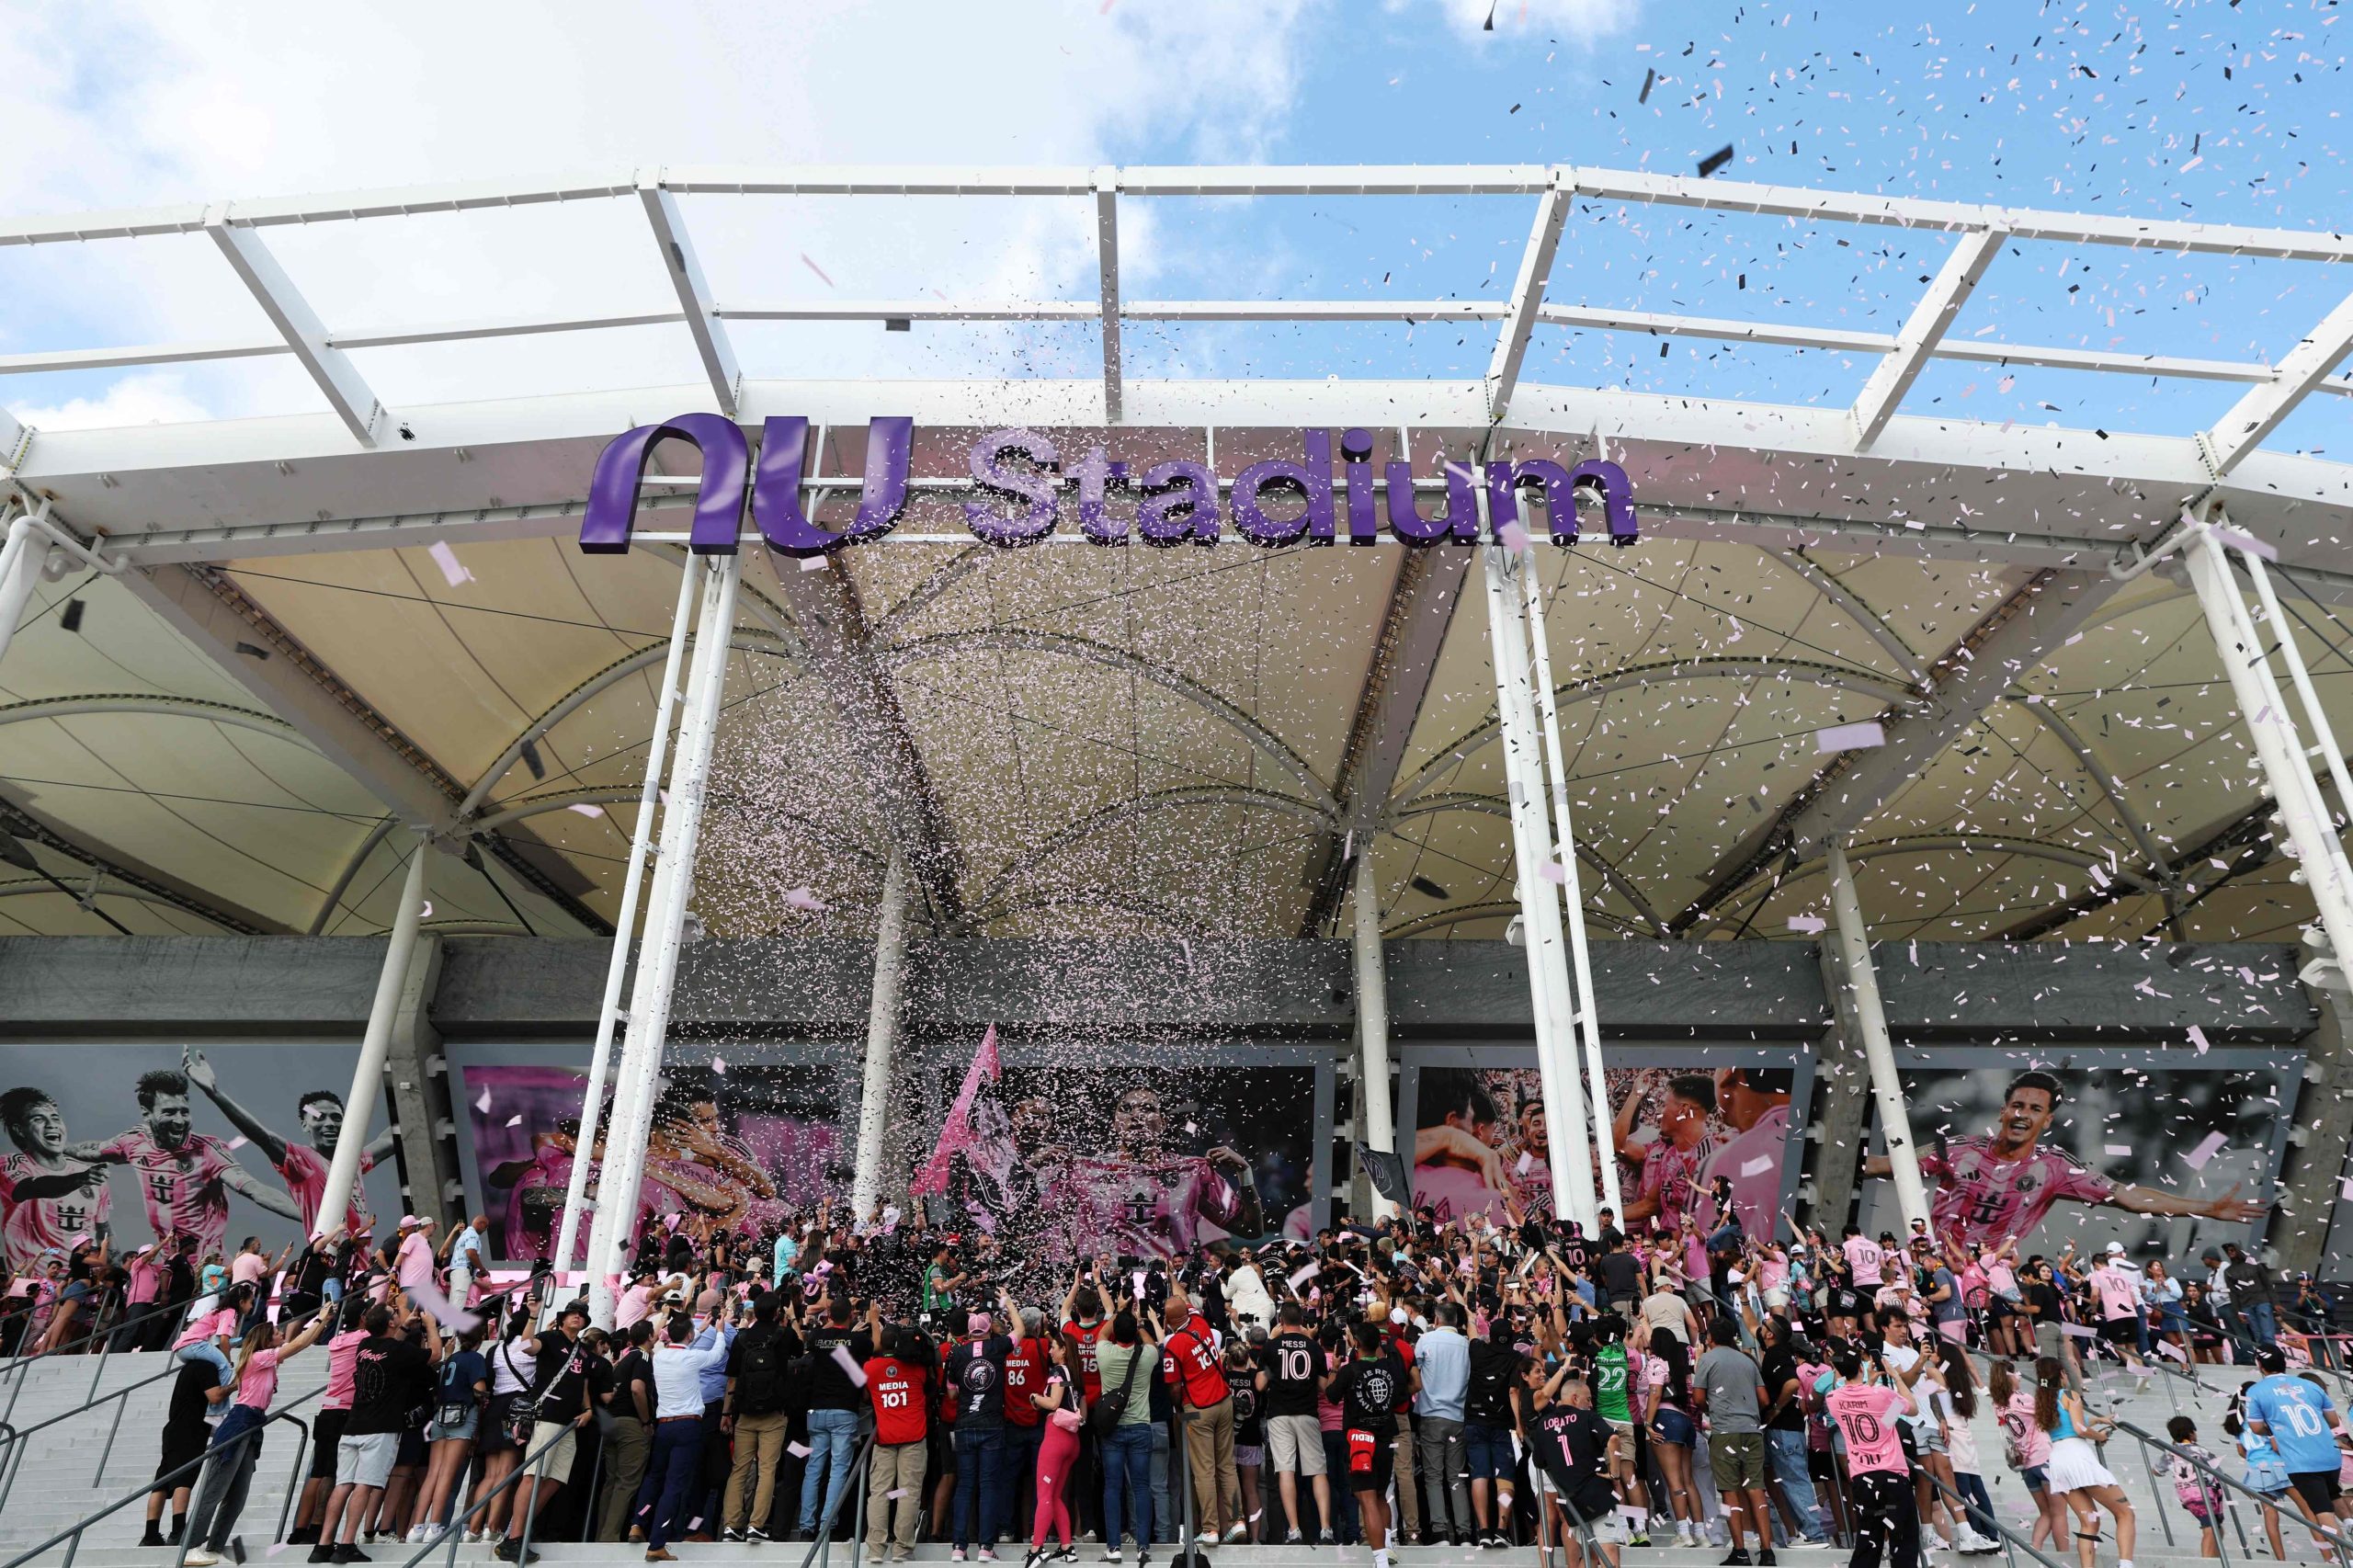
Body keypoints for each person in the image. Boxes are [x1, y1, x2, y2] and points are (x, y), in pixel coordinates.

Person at [1866, 1071, 2263, 1253]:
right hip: (1929, 1266)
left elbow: (2130, 1197)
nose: (2023, 1114)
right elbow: (1884, 1165)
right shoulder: (1956, 1149)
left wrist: (2207, 1208)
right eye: (2017, 1105)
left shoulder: (2056, 1168)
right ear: (2003, 1111)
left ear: (2046, 1119)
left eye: (2034, 1109)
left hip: (1990, 1275)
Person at [77, 1069, 301, 1258]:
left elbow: (255, 1190)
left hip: (208, 1267)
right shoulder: (134, 1142)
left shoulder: (207, 1149)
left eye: (184, 1112)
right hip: (169, 1262)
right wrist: (54, 1148)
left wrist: (311, 1216)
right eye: (169, 1112)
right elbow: (92, 1151)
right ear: (147, 1114)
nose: (180, 1120)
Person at [181, 1305, 333, 1566]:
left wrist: (322, 1322)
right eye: (276, 1332)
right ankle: (192, 1545)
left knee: (237, 1496)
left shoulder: (266, 1361)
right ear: (266, 1339)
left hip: (253, 1424)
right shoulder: (258, 1357)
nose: (281, 1333)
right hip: (239, 1421)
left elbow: (299, 1345)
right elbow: (296, 1346)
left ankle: (215, 1546)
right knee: (215, 1490)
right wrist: (319, 1318)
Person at [183, 1051, 393, 1237]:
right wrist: (215, 1094)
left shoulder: (354, 1160)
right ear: (305, 1125)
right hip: (332, 1268)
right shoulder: (302, 1161)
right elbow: (264, 1137)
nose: (329, 1124)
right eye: (319, 1118)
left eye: (336, 1118)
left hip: (362, 1268)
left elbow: (388, 1139)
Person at [313, 1301, 444, 1565]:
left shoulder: (365, 1347)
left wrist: (405, 1328)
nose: (398, 1314)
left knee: (343, 1484)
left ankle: (323, 1543)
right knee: (364, 1485)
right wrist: (430, 1326)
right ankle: (347, 1543)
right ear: (390, 1323)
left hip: (353, 1426)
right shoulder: (398, 1350)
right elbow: (435, 1355)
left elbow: (389, 1347)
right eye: (394, 1314)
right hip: (380, 1429)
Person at [635, 1299, 737, 1561]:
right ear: (689, 1335)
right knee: (675, 1485)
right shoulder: (692, 1358)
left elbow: (681, 1343)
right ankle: (657, 1542)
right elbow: (717, 1354)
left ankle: (638, 1522)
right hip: (688, 1426)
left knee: (654, 1477)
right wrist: (720, 1327)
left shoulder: (659, 1355)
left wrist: (700, 1328)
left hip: (663, 1426)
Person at [2035, 1355, 2136, 1568]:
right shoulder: (2070, 1395)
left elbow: (2067, 1422)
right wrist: (2101, 1436)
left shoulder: (2043, 1400)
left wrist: (2097, 1419)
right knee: (2125, 1511)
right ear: (2062, 1374)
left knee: (2089, 1521)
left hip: (2058, 1461)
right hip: (2077, 1456)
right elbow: (2079, 1428)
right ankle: (2126, 1564)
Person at [0, 1085, 114, 1270]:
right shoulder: (11, 1164)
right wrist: (78, 1179)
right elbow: (31, 1187)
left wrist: (113, 1267)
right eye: (39, 1119)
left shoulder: (89, 1174)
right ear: (20, 1130)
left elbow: (103, 1229)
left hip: (83, 1280)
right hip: (34, 1282)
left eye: (55, 1118)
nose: (52, 1125)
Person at [2243, 1345, 2347, 1542]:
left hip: (2301, 1460)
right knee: (2333, 1493)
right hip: (2329, 1454)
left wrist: (2277, 1429)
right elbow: (2334, 1421)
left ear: (2260, 1365)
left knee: (2322, 1511)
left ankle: (2348, 1558)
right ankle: (2350, 1523)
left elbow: (2256, 1428)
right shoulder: (2310, 1385)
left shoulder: (2256, 1391)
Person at [1694, 1316, 1777, 1565]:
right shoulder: (1747, 1360)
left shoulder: (1707, 1359)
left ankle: (1740, 1551)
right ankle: (1767, 1551)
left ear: (1710, 1338)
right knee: (1756, 1489)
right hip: (1752, 1431)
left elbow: (1698, 1399)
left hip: (1724, 1431)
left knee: (1730, 1492)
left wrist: (1715, 1406)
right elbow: (1764, 1399)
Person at [1824, 1347, 1917, 1568]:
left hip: (1863, 1478)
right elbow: (1910, 1409)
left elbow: (1880, 1420)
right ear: (1860, 1368)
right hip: (1892, 1476)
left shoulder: (1833, 1399)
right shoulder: (1882, 1395)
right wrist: (1894, 1376)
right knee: (1903, 1539)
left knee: (1868, 1539)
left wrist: (1869, 1384)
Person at [1529, 1358, 1623, 1568]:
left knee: (1589, 1556)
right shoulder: (1588, 1417)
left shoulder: (1544, 1425)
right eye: (1588, 1399)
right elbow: (1614, 1439)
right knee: (1607, 1553)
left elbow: (1539, 1461)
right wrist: (1615, 1474)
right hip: (1598, 1496)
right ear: (1575, 1398)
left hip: (1572, 1501)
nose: (1591, 1404)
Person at [1328, 1320, 1405, 1568]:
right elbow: (1401, 1396)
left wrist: (1335, 1369)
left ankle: (1380, 1560)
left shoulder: (1350, 1371)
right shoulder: (1391, 1367)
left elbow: (1331, 1396)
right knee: (1382, 1495)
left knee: (1368, 1499)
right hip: (1385, 1439)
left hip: (1360, 1441)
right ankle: (1389, 1547)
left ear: (1357, 1344)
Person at [720, 1290, 794, 1541]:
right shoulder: (784, 1335)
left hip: (744, 1413)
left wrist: (726, 1413)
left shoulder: (741, 1339)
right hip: (774, 1413)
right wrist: (791, 1321)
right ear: (777, 1313)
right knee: (767, 1469)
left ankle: (731, 1525)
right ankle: (756, 1524)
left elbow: (732, 1379)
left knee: (739, 1469)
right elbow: (801, 1349)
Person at [1091, 1299, 1160, 1566]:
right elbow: (1153, 1344)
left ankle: (1114, 1547)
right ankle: (1143, 1546)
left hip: (1113, 1431)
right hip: (1141, 1427)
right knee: (1142, 1487)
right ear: (1135, 1333)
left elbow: (1101, 1333)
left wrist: (1119, 1312)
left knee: (1112, 1487)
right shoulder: (1146, 1355)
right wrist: (1138, 1322)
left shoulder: (1105, 1353)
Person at [800, 1290, 873, 1540]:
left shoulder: (817, 1337)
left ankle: (806, 1526)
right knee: (838, 1470)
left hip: (816, 1411)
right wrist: (872, 1319)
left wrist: (837, 1314)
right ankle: (827, 1525)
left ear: (830, 1315)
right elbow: (878, 1344)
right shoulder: (858, 1342)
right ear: (852, 1316)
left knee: (814, 1469)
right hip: (844, 1412)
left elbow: (824, 1333)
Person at [1260, 1301, 1333, 1545]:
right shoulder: (1314, 1348)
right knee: (1318, 1471)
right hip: (1308, 1413)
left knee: (1286, 1470)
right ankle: (1325, 1529)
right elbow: (1324, 1387)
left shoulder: (1272, 1347)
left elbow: (1260, 1385)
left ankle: (1294, 1530)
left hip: (1280, 1414)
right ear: (1301, 1320)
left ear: (1280, 1321)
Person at [410, 1323, 489, 1546]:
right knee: (447, 1474)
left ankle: (416, 1528)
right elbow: (480, 1389)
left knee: (433, 1474)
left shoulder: (449, 1360)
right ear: (480, 1338)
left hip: (440, 1417)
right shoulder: (474, 1358)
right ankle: (435, 1526)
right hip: (462, 1418)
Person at [1756, 1314, 1831, 1551]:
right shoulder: (1777, 1350)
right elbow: (1750, 1324)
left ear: (1770, 1334)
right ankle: (1807, 1532)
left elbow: (1791, 1384)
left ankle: (1814, 1534)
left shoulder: (1777, 1353)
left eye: (1764, 1325)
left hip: (1784, 1430)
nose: (1758, 1327)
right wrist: (1744, 1300)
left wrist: (1776, 1408)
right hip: (1786, 1430)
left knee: (1794, 1480)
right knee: (1788, 1480)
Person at [1988, 1359, 2064, 1554]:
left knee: (2045, 1512)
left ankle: (2034, 1549)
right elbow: (2050, 1409)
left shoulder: (1998, 1404)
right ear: (2009, 1377)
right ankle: (2066, 1556)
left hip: (2027, 1466)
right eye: (2016, 1373)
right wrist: (2050, 1383)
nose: (2020, 1376)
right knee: (2058, 1512)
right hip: (2044, 1457)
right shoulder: (2021, 1398)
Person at [1414, 1301, 1473, 1546]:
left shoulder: (1426, 1341)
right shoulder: (1465, 1344)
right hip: (1457, 1416)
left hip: (1431, 1415)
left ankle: (1440, 1532)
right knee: (1457, 1477)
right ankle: (1465, 1533)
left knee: (1433, 1477)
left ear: (1436, 1320)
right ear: (1457, 1321)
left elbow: (1414, 1371)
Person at [1025, 1336, 1084, 1568]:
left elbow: (1053, 1403)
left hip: (1056, 1437)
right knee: (1056, 1495)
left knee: (1045, 1495)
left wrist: (1035, 1397)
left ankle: (1036, 1549)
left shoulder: (1058, 1371)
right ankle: (1067, 1548)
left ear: (1063, 1350)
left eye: (1053, 1347)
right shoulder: (1074, 1373)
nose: (1049, 1351)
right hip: (1072, 1439)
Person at [597, 1320, 657, 1542]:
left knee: (611, 1481)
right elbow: (637, 1389)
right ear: (650, 1336)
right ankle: (609, 1538)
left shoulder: (622, 1360)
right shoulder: (642, 1357)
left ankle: (601, 1535)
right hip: (630, 1424)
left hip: (611, 1421)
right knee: (626, 1482)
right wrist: (646, 1421)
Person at [2164, 1415, 2225, 1561]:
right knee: (2210, 1529)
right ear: (2191, 1433)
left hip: (2186, 1495)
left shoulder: (2170, 1452)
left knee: (2217, 1529)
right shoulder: (2200, 1451)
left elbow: (2156, 1471)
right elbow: (2217, 1469)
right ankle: (2206, 1563)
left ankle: (2214, 1560)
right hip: (2203, 1493)